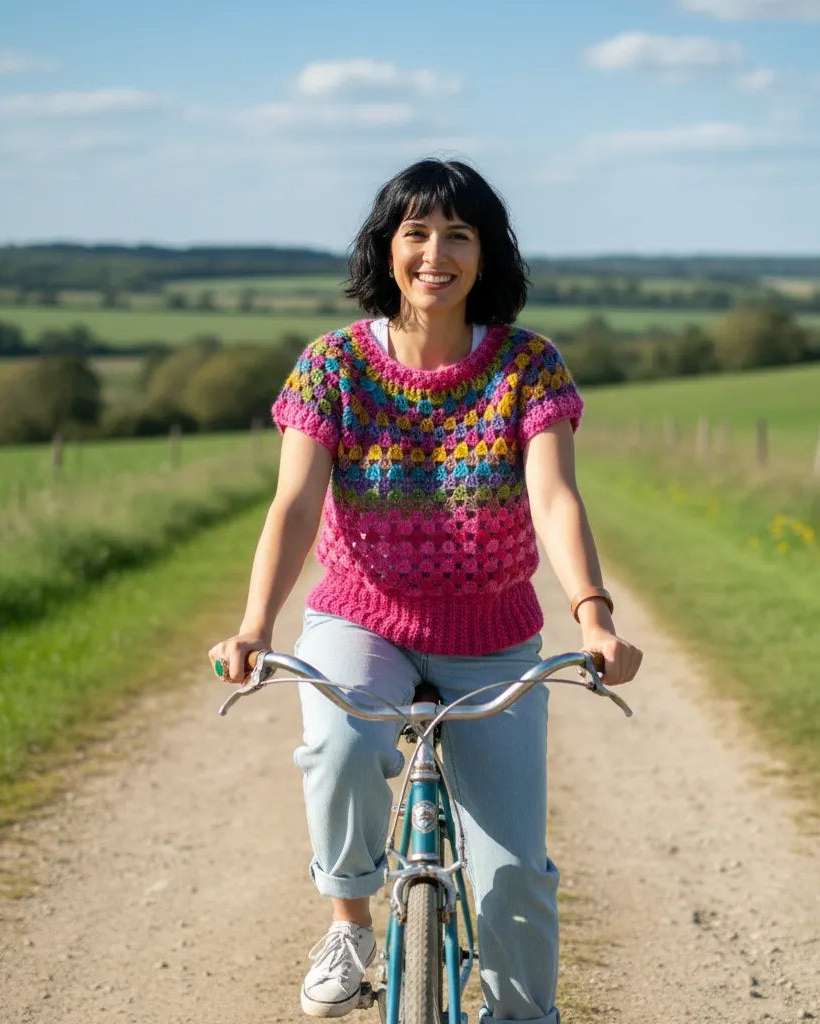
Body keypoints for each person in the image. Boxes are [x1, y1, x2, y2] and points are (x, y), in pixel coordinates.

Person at [208, 158, 643, 1024]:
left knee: (514, 868)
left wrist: (593, 614)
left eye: (458, 235)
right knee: (337, 747)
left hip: (492, 631)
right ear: (387, 246)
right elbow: (295, 504)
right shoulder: (333, 365)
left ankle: (522, 1015)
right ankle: (349, 924)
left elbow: (555, 496)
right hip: (362, 617)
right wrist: (256, 624)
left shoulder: (528, 365)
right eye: (416, 233)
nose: (434, 253)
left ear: (487, 255)